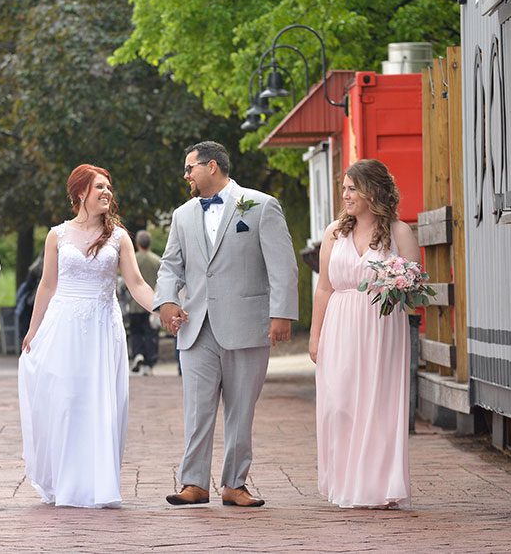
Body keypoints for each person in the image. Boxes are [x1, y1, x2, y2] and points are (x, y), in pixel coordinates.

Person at [155, 141, 298, 508]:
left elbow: (282, 265)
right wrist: (167, 300)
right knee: (197, 410)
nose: (186, 175)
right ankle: (194, 483)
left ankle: (235, 484)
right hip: (195, 327)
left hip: (247, 325)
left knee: (240, 410)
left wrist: (281, 314)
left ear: (212, 166)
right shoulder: (182, 215)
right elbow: (170, 265)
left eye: (190, 168)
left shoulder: (261, 205)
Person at [18, 164, 155, 508]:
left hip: (102, 328)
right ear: (81, 193)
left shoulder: (119, 237)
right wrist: (33, 330)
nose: (107, 192)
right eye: (99, 187)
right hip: (63, 327)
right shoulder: (57, 235)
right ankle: (65, 481)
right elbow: (47, 285)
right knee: (66, 401)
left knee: (99, 404)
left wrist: (163, 308)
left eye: (109, 187)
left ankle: (98, 484)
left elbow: (137, 284)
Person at [309, 158, 418, 509]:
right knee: (338, 404)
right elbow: (324, 288)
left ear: (373, 191)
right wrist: (315, 336)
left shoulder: (399, 233)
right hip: (339, 325)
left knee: (378, 405)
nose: (345, 195)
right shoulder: (334, 233)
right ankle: (344, 482)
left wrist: (401, 283)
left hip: (381, 328)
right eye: (344, 188)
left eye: (352, 188)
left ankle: (375, 486)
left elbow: (415, 287)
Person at [128, 230, 161, 375]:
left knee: (136, 332)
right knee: (150, 334)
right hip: (152, 303)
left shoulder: (132, 259)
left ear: (137, 243)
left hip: (135, 304)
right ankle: (149, 363)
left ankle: (138, 354)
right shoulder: (157, 261)